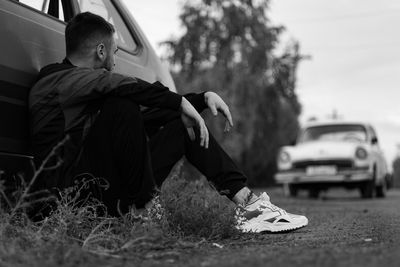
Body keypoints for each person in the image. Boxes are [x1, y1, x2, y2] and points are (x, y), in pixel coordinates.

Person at [29, 12, 308, 233]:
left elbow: (142, 113)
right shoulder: (56, 80)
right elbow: (125, 87)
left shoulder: (84, 90)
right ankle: (144, 212)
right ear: (101, 51)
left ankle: (248, 205)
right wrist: (179, 102)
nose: (114, 59)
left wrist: (199, 101)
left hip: (103, 189)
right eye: (114, 52)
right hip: (72, 199)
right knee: (123, 100)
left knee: (181, 125)